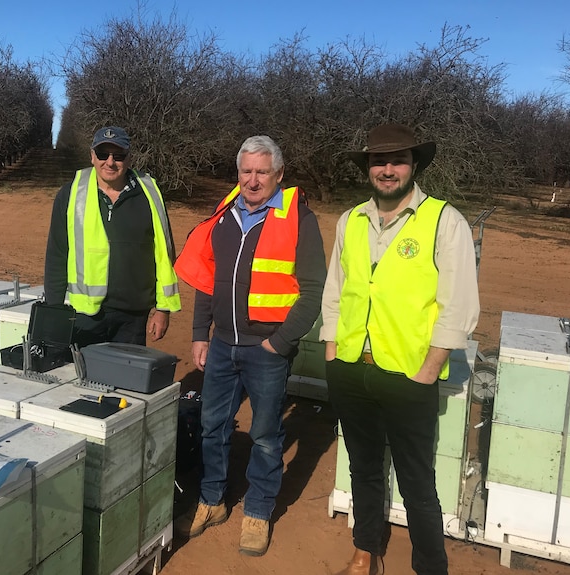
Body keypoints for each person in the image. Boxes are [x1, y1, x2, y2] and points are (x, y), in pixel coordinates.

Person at [322, 123, 480, 575]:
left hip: (411, 374)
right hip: (352, 368)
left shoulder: (444, 220)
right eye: (378, 161)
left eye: (397, 161)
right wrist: (332, 353)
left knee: (416, 481)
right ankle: (365, 549)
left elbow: (460, 306)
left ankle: (430, 566)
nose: (387, 169)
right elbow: (336, 291)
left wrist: (430, 369)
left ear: (414, 166)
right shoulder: (350, 220)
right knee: (363, 468)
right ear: (367, 168)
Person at [173, 135, 327, 556]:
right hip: (221, 345)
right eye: (246, 171)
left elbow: (314, 290)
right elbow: (208, 278)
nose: (253, 180)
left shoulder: (299, 220)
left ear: (279, 174)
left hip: (266, 352)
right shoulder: (224, 217)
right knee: (212, 428)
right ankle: (212, 501)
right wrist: (200, 334)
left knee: (263, 434)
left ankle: (258, 511)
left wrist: (280, 343)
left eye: (262, 172)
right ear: (237, 173)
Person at [43, 126, 180, 346]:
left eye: (118, 155)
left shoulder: (149, 194)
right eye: (102, 154)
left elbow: (164, 253)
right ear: (92, 156)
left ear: (129, 157)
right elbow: (57, 254)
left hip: (133, 317)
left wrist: (163, 309)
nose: (110, 162)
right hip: (84, 315)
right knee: (81, 379)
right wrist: (53, 308)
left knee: (125, 380)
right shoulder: (70, 194)